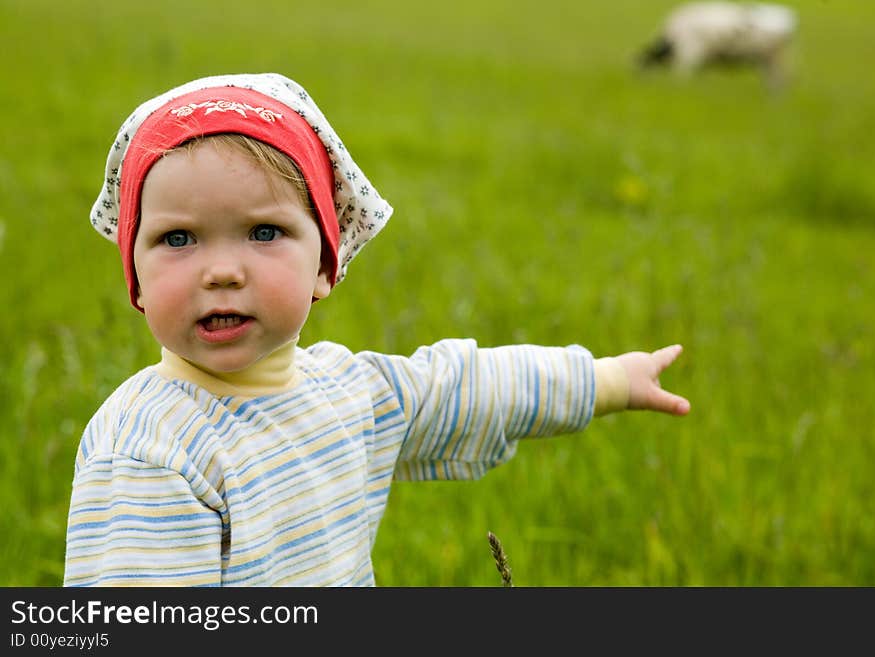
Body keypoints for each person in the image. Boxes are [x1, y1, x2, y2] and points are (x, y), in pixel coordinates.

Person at [63, 73, 690, 586]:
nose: (222, 271)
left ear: (325, 264)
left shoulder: (346, 393)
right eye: (178, 238)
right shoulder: (151, 452)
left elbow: (464, 390)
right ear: (136, 277)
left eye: (263, 233)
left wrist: (607, 380)